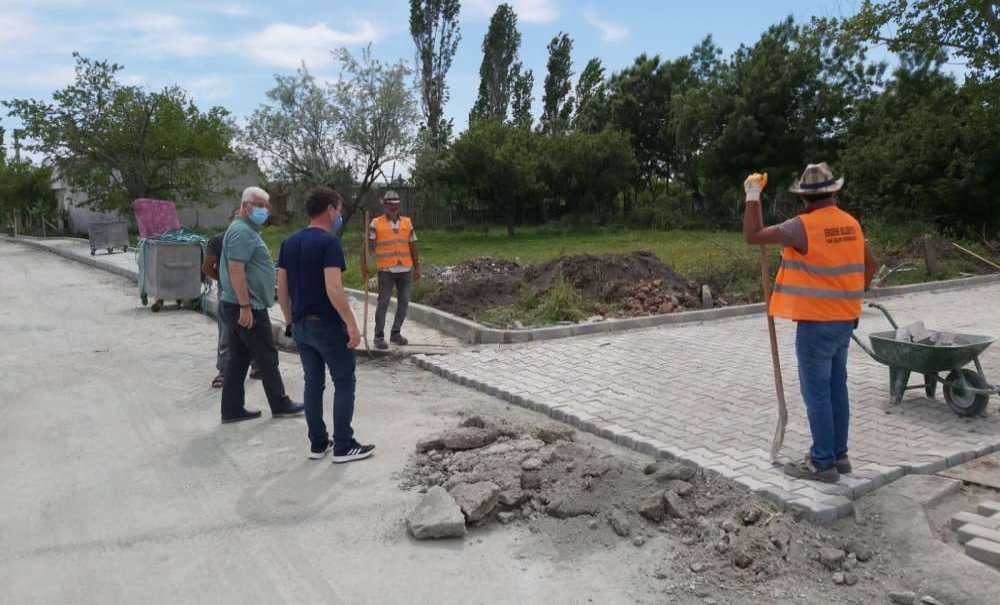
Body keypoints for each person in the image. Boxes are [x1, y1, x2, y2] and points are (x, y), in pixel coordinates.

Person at [742, 163, 878, 483]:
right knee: (836, 388)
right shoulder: (851, 224)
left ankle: (822, 462)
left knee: (817, 392)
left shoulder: (801, 227)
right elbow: (870, 266)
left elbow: (753, 236)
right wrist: (849, 296)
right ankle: (839, 455)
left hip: (816, 325)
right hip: (845, 321)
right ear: (833, 192)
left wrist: (752, 195)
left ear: (804, 198)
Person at [276, 187, 375, 462]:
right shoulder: (329, 243)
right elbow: (334, 288)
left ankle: (318, 444)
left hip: (300, 324)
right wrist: (352, 325)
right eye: (339, 210)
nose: (340, 215)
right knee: (344, 381)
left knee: (313, 383)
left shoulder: (289, 243)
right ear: (330, 210)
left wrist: (288, 319)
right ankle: (343, 445)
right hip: (327, 325)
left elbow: (281, 287)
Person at [217, 186, 304, 424]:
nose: (264, 210)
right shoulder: (241, 231)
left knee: (239, 359)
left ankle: (232, 409)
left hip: (241, 304)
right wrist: (245, 305)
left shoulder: (246, 230)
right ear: (245, 206)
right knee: (266, 355)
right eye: (258, 205)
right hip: (247, 307)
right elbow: (236, 269)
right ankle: (280, 403)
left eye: (266, 206)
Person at [203, 209, 259, 388]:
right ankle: (224, 370)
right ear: (231, 219)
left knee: (254, 330)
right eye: (237, 215)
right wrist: (223, 279)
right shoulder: (218, 240)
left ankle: (257, 366)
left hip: (251, 292)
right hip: (227, 293)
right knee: (227, 332)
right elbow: (207, 266)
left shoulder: (253, 238)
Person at [368, 190, 421, 350]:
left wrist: (417, 266)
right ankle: (378, 336)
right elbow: (369, 246)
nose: (393, 207)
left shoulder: (407, 222)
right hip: (386, 270)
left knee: (404, 302)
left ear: (399, 206)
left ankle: (395, 333)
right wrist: (365, 265)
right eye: (389, 205)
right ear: (384, 205)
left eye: (395, 205)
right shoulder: (375, 223)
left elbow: (413, 245)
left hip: (405, 268)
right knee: (383, 303)